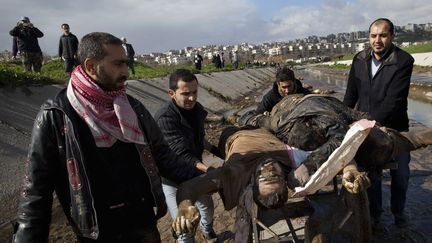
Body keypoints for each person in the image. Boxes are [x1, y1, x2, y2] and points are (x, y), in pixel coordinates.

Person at [12, 32, 202, 243]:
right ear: (91, 65)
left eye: (126, 64)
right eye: (118, 64)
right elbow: (36, 192)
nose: (126, 71)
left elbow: (165, 158)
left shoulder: (132, 108)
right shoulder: (57, 115)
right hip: (96, 233)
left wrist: (209, 177)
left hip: (143, 225)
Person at [171, 126, 371, 243]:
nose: (268, 169)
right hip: (266, 129)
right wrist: (349, 170)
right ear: (285, 179)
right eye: (274, 176)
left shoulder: (234, 173)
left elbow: (188, 187)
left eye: (265, 178)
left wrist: (184, 206)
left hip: (233, 135)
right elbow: (338, 157)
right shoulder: (294, 163)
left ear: (253, 182)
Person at [239, 93, 432, 187]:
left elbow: (340, 139)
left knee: (391, 144)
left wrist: (308, 166)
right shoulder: (281, 122)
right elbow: (257, 119)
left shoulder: (340, 129)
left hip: (321, 110)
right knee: (400, 141)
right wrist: (241, 119)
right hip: (302, 107)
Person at [343, 18, 415, 229]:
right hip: (366, 129)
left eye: (383, 35)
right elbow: (350, 96)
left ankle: (398, 212)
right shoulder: (359, 60)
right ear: (369, 37)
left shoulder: (403, 61)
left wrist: (369, 124)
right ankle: (375, 215)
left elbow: (394, 100)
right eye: (373, 35)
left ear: (392, 36)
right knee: (371, 175)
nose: (377, 40)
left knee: (400, 175)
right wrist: (345, 121)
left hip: (395, 128)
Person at [154, 69, 219, 242]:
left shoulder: (196, 109)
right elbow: (183, 155)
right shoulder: (165, 118)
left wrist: (219, 152)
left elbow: (200, 139)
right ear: (171, 93)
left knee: (207, 207)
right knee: (184, 226)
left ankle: (207, 230)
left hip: (194, 174)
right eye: (185, 94)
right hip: (172, 179)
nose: (191, 98)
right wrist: (209, 170)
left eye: (194, 92)